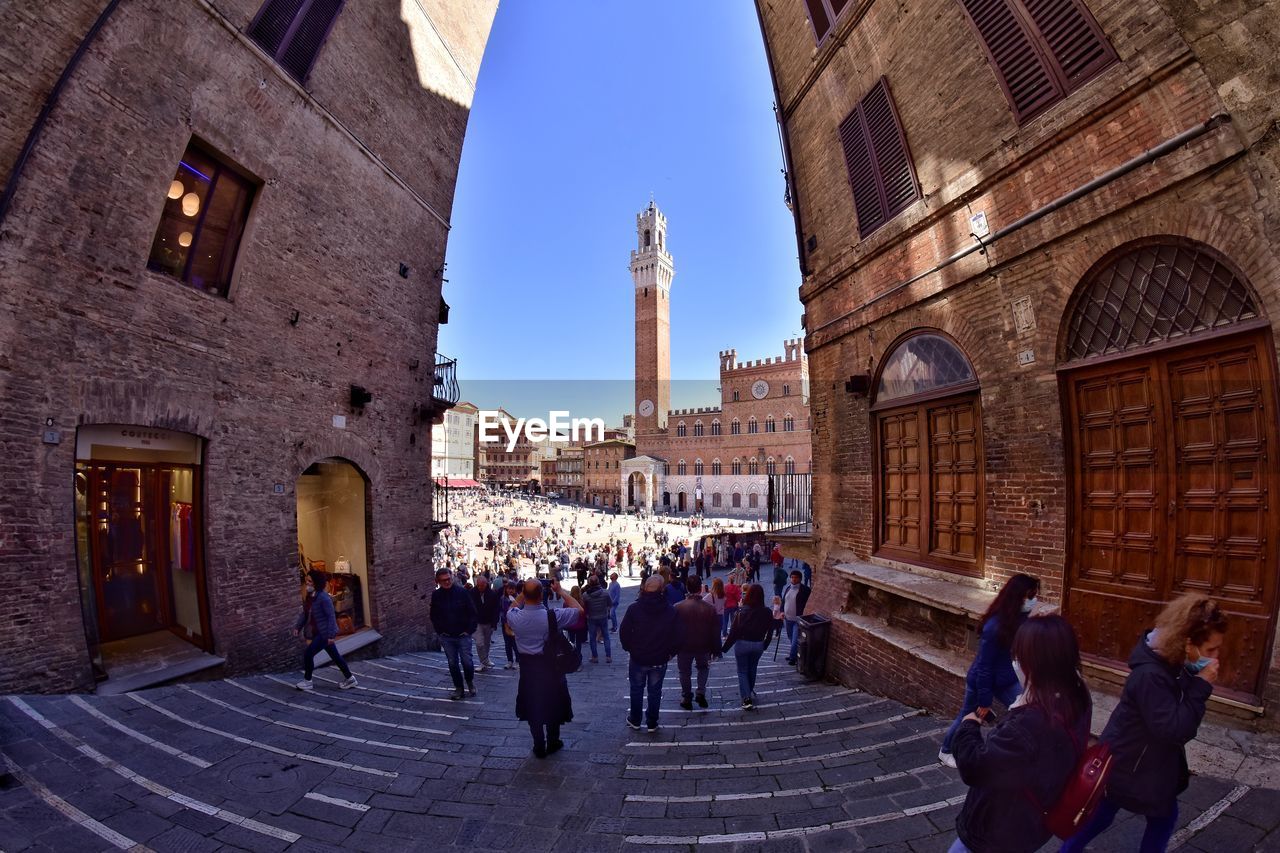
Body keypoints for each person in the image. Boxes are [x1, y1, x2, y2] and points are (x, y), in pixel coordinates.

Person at [1060, 594, 1228, 853]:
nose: (1215, 658)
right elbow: (1175, 729)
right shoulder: (1151, 675)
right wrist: (1200, 686)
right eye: (1210, 650)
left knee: (1106, 815)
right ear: (1187, 643)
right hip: (1132, 764)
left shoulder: (1168, 659)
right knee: (1157, 818)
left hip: (1135, 760)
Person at [949, 614, 1092, 853]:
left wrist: (968, 727)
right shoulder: (1078, 694)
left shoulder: (1029, 723)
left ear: (1033, 663)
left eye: (1018, 656)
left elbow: (976, 766)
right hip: (1034, 819)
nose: (1015, 662)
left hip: (998, 830)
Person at [938, 573, 1039, 767]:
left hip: (1006, 679)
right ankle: (946, 750)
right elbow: (984, 666)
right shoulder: (994, 627)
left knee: (1026, 709)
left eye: (1034, 595)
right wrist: (985, 700)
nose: (1033, 600)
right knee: (969, 715)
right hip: (982, 680)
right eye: (1030, 596)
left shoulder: (1019, 619)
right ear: (1017, 597)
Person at [505, 578, 584, 757]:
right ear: (542, 594)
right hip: (550, 667)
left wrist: (522, 596)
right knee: (553, 703)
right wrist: (561, 591)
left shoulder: (515, 616)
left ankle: (538, 745)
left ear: (524, 594)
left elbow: (510, 609)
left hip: (528, 668)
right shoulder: (553, 616)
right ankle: (553, 741)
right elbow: (579, 610)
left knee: (533, 705)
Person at [619, 574, 684, 732]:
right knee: (655, 691)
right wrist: (670, 653)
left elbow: (624, 632)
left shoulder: (634, 608)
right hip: (659, 658)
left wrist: (630, 648)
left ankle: (635, 719)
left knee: (636, 689)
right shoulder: (670, 610)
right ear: (662, 590)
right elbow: (678, 635)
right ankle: (652, 721)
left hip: (639, 657)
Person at [294, 569, 358, 690]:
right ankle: (350, 679)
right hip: (318, 633)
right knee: (335, 656)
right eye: (307, 580)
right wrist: (298, 626)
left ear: (316, 583)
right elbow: (305, 613)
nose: (307, 583)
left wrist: (331, 635)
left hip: (324, 634)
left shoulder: (324, 598)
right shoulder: (309, 597)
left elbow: (331, 617)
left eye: (309, 581)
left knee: (308, 654)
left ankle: (307, 681)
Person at [430, 567, 479, 700]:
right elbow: (433, 615)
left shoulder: (462, 592)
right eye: (444, 580)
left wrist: (469, 630)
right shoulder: (436, 595)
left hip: (463, 635)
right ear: (438, 582)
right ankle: (459, 688)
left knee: (467, 662)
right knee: (452, 663)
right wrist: (440, 630)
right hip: (447, 636)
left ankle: (469, 681)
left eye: (449, 579)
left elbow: (473, 613)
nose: (447, 582)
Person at [721, 584, 773, 709]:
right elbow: (770, 630)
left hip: (742, 643)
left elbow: (734, 632)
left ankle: (746, 698)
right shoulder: (767, 611)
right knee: (752, 668)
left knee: (742, 670)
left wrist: (724, 648)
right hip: (758, 643)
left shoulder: (741, 612)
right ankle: (749, 690)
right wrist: (765, 644)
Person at [675, 576, 720, 710]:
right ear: (700, 588)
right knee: (703, 668)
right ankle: (700, 692)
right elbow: (715, 631)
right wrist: (716, 649)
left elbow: (672, 629)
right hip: (703, 645)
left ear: (687, 588)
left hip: (684, 646)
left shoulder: (678, 607)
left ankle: (686, 697)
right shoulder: (709, 608)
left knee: (684, 672)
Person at [471, 574, 502, 672]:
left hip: (488, 622)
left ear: (486, 584)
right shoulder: (472, 593)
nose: (480, 588)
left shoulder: (492, 594)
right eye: (478, 585)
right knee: (479, 643)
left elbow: (496, 610)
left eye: (482, 585)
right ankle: (482, 662)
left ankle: (485, 660)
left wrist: (494, 624)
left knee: (487, 643)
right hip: (477, 622)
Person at [781, 569, 811, 666]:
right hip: (787, 618)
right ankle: (794, 653)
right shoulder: (788, 588)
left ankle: (793, 658)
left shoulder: (805, 590)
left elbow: (809, 603)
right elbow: (783, 601)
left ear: (800, 579)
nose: (793, 579)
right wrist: (782, 611)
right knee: (790, 637)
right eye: (792, 577)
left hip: (797, 620)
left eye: (796, 578)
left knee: (794, 639)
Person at [583, 578, 613, 664]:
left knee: (592, 637)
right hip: (603, 616)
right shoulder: (605, 593)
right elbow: (610, 604)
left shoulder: (586, 595)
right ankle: (608, 656)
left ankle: (595, 657)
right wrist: (605, 610)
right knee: (606, 636)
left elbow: (584, 607)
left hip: (592, 617)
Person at [500, 581, 519, 669]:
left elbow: (520, 609)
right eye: (509, 589)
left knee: (515, 643)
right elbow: (501, 611)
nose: (510, 591)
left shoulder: (518, 598)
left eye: (512, 589)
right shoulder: (503, 598)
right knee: (507, 643)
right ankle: (509, 661)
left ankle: (517, 661)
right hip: (506, 623)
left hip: (515, 624)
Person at [723, 572, 742, 638]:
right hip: (734, 606)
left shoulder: (725, 587)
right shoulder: (736, 587)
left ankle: (724, 634)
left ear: (728, 580)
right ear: (734, 580)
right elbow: (738, 597)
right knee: (733, 620)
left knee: (725, 620)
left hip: (726, 606)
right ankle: (732, 633)